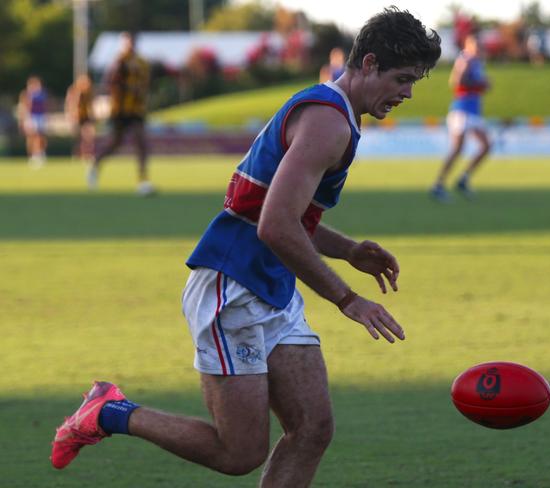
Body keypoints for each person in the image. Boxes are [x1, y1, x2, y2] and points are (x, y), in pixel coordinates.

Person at [50, 7, 441, 486]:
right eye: (402, 78)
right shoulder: (328, 122)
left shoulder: (333, 114)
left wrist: (348, 250)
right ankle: (110, 412)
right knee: (238, 452)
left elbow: (277, 213)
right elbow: (275, 226)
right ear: (368, 63)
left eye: (414, 82)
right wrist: (347, 299)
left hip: (270, 284)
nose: (407, 93)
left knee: (313, 427)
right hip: (232, 285)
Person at [87, 31, 155, 196]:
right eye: (127, 42)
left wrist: (142, 92)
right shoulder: (118, 61)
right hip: (120, 109)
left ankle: (143, 181)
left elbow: (147, 84)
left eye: (132, 41)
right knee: (115, 143)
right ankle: (95, 165)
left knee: (141, 143)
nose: (130, 45)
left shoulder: (142, 62)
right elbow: (110, 82)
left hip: (137, 110)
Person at [431, 34, 491, 203]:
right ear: (469, 46)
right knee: (458, 148)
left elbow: (476, 84)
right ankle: (438, 185)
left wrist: (484, 85)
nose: (479, 48)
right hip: (462, 111)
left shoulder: (478, 63)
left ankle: (463, 179)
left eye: (480, 45)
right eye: (476, 45)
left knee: (486, 145)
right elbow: (457, 82)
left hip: (473, 112)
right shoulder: (466, 59)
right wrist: (480, 84)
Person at [17, 76, 48, 168]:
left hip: (40, 117)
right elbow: (24, 107)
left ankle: (40, 153)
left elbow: (46, 105)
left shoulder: (42, 94)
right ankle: (32, 155)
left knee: (40, 136)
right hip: (31, 117)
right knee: (31, 137)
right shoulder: (26, 94)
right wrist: (23, 119)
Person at [65, 74, 96, 162]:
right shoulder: (74, 91)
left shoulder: (89, 92)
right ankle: (78, 154)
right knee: (78, 137)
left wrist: (93, 116)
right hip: (76, 117)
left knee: (89, 136)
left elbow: (90, 105)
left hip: (86, 117)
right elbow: (70, 104)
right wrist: (71, 116)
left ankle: (88, 154)